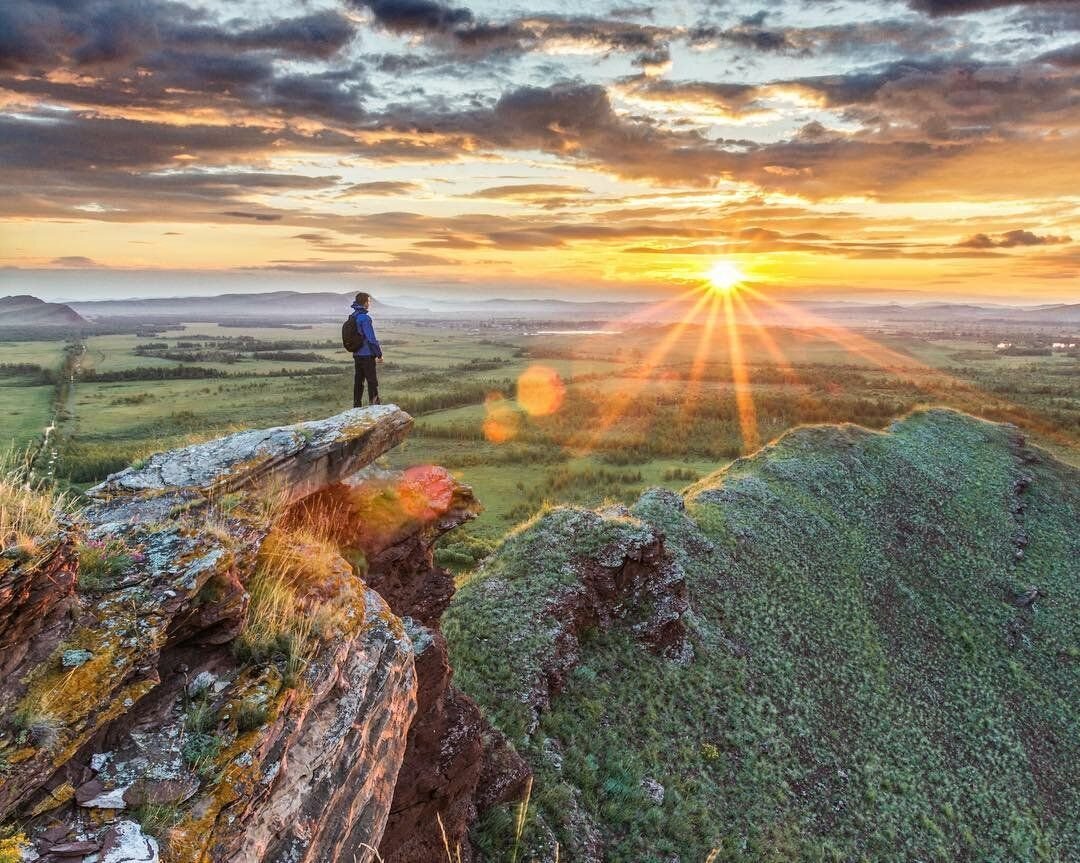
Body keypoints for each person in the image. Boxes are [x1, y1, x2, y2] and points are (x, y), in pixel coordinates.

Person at [350, 292, 383, 407]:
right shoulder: (365, 318)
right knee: (372, 380)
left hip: (357, 354)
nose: (369, 303)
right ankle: (374, 405)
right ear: (365, 303)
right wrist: (379, 354)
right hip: (367, 354)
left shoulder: (353, 316)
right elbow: (371, 339)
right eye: (369, 301)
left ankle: (356, 405)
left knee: (358, 380)